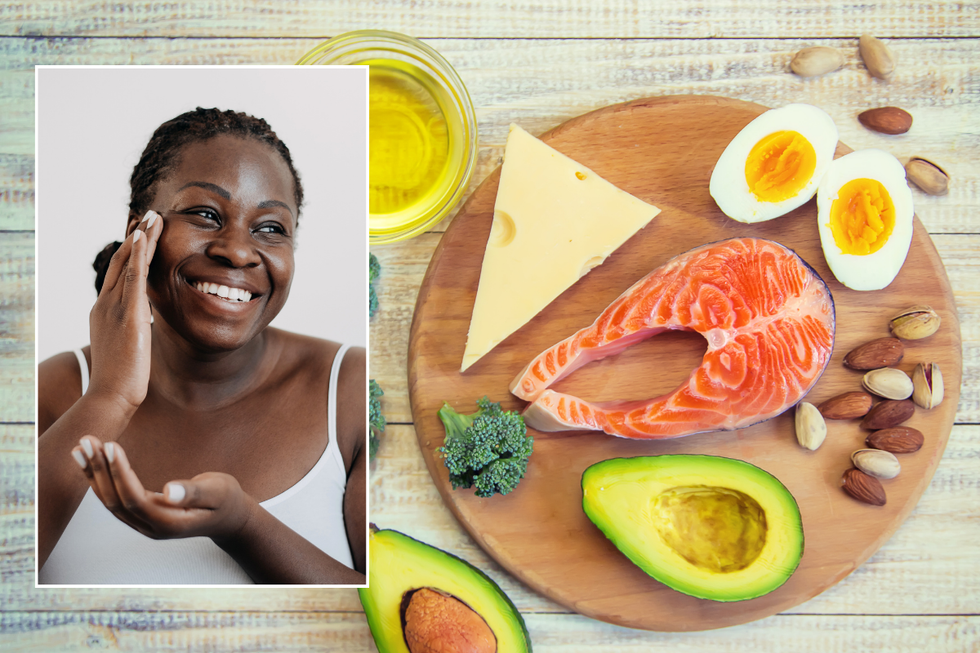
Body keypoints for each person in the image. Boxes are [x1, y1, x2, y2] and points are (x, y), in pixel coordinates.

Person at [37, 108, 366, 585]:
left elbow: (384, 619)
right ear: (140, 232)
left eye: (270, 228)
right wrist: (109, 397)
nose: (237, 250)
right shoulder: (50, 391)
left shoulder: (351, 388)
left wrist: (243, 526)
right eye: (206, 214)